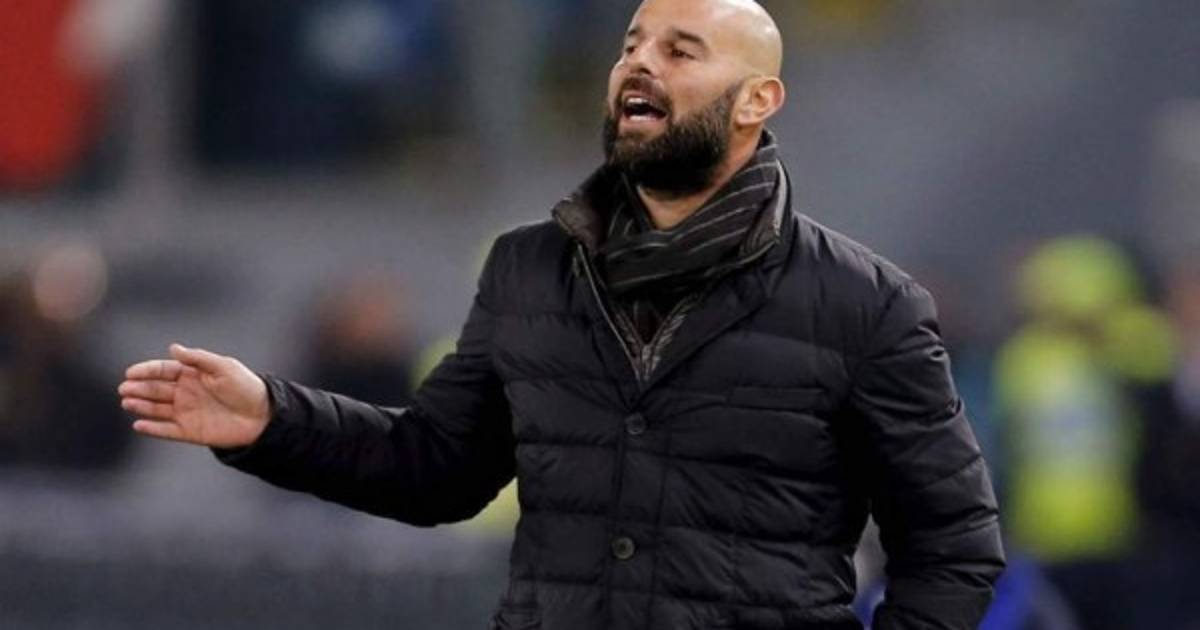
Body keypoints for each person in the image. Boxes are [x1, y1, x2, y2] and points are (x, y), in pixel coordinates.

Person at [118, 1, 1004, 628]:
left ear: (756, 101)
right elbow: (435, 468)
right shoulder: (530, 267)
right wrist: (273, 420)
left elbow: (954, 548)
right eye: (631, 45)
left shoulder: (866, 304)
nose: (641, 65)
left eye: (682, 51)